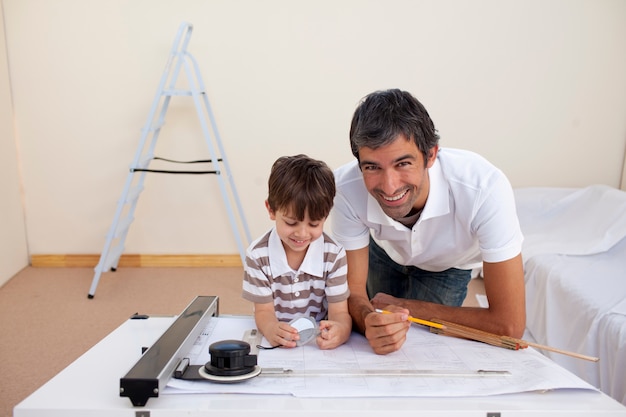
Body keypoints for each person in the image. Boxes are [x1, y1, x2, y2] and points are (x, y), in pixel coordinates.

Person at [331, 89, 526, 355]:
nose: (389, 186)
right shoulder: (345, 188)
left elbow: (509, 324)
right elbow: (352, 291)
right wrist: (368, 320)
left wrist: (406, 307)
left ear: (431, 155)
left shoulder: (485, 188)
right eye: (372, 167)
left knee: (425, 348)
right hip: (383, 251)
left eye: (403, 163)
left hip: (448, 265)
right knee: (378, 343)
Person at [242, 154, 352, 350]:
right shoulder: (257, 256)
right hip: (281, 347)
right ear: (271, 210)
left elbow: (340, 313)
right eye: (291, 223)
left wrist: (340, 331)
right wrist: (271, 328)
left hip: (317, 344)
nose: (302, 233)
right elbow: (263, 312)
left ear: (325, 216)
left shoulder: (334, 255)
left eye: (314, 224)